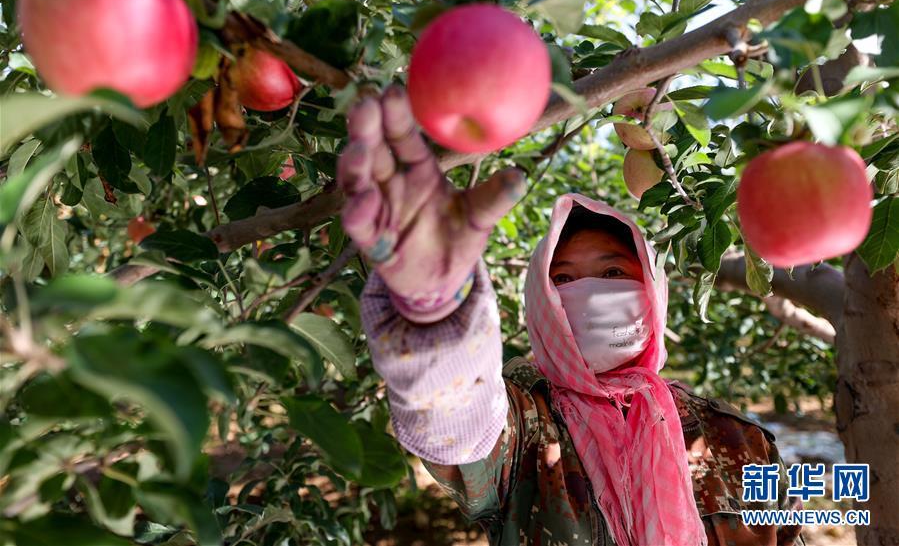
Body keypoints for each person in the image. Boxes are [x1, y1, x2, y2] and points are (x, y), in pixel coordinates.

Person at [337, 86, 804, 546]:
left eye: (613, 271)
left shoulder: (733, 438)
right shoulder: (526, 429)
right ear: (539, 302)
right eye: (562, 280)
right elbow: (456, 418)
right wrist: (434, 312)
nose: (591, 292)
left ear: (652, 291)